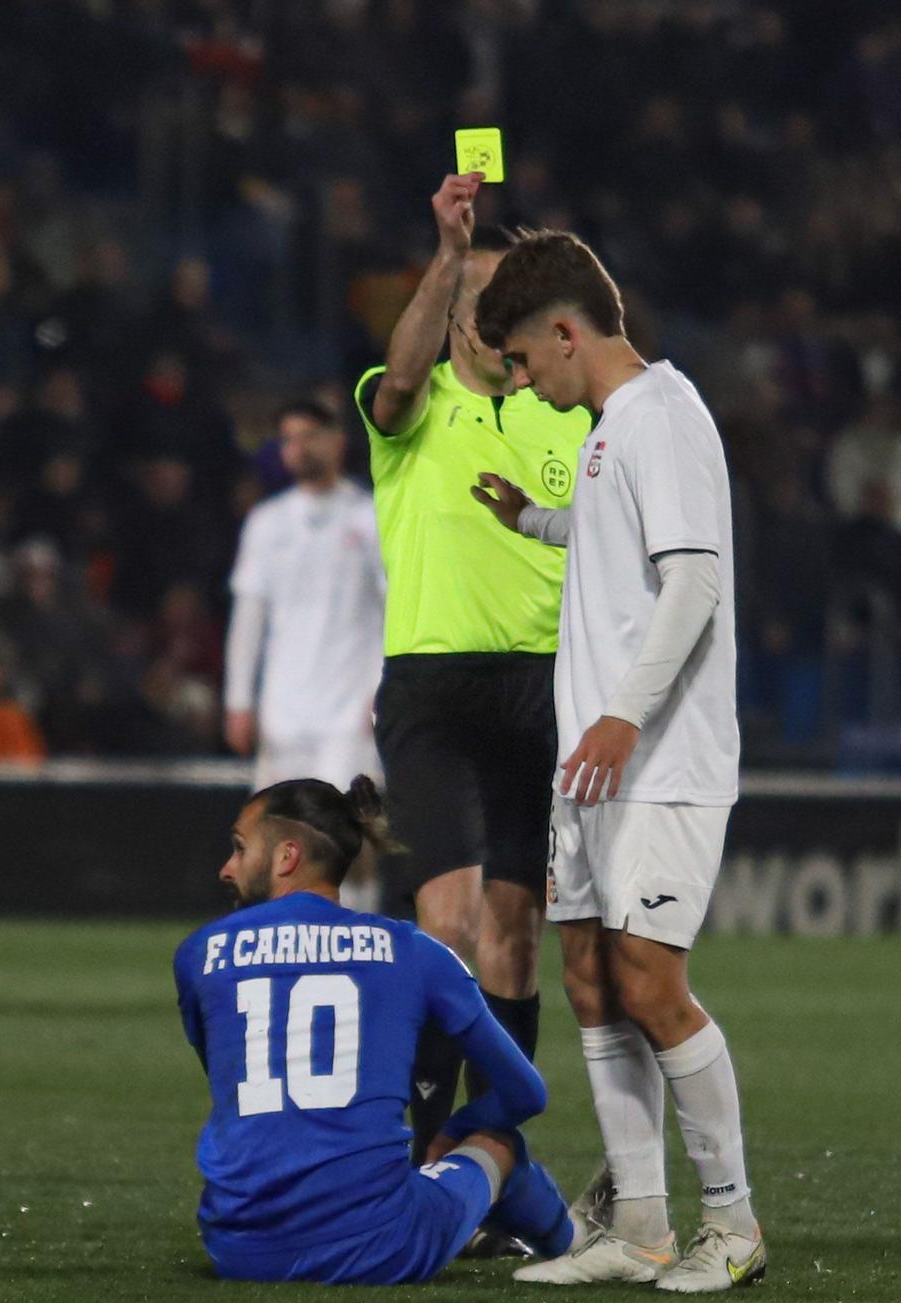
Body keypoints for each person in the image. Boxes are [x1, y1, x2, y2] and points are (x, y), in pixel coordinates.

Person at [471, 229, 763, 1292]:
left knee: (649, 980)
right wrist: (533, 517)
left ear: (562, 332)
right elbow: (613, 544)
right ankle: (638, 1226)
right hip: (594, 764)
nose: (516, 378)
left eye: (517, 359)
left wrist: (623, 719)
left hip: (655, 756)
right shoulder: (609, 433)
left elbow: (692, 582)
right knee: (591, 978)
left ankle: (730, 1225)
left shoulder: (664, 415)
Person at [354, 174, 589, 1166]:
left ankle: (487, 1161)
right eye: (471, 297)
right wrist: (444, 251)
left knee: (513, 935)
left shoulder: (568, 420)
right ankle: (408, 1162)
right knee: (441, 926)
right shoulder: (405, 408)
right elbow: (399, 381)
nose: (488, 320)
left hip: (540, 687)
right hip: (431, 687)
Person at [173, 777, 576, 1283]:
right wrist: (451, 1132)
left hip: (240, 1252)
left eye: (238, 848)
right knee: (499, 1144)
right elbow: (525, 1093)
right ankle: (577, 1245)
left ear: (286, 857)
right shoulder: (415, 951)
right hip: (382, 1248)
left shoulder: (198, 954)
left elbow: (229, 1082)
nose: (226, 867)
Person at [223, 402, 387, 910]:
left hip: (348, 710)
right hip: (283, 711)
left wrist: (383, 688)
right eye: (289, 438)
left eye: (309, 435)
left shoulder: (370, 516)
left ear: (337, 441)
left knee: (346, 832)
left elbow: (397, 608)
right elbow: (249, 617)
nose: (299, 448)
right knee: (269, 836)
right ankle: (279, 941)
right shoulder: (267, 524)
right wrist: (238, 701)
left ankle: (357, 935)